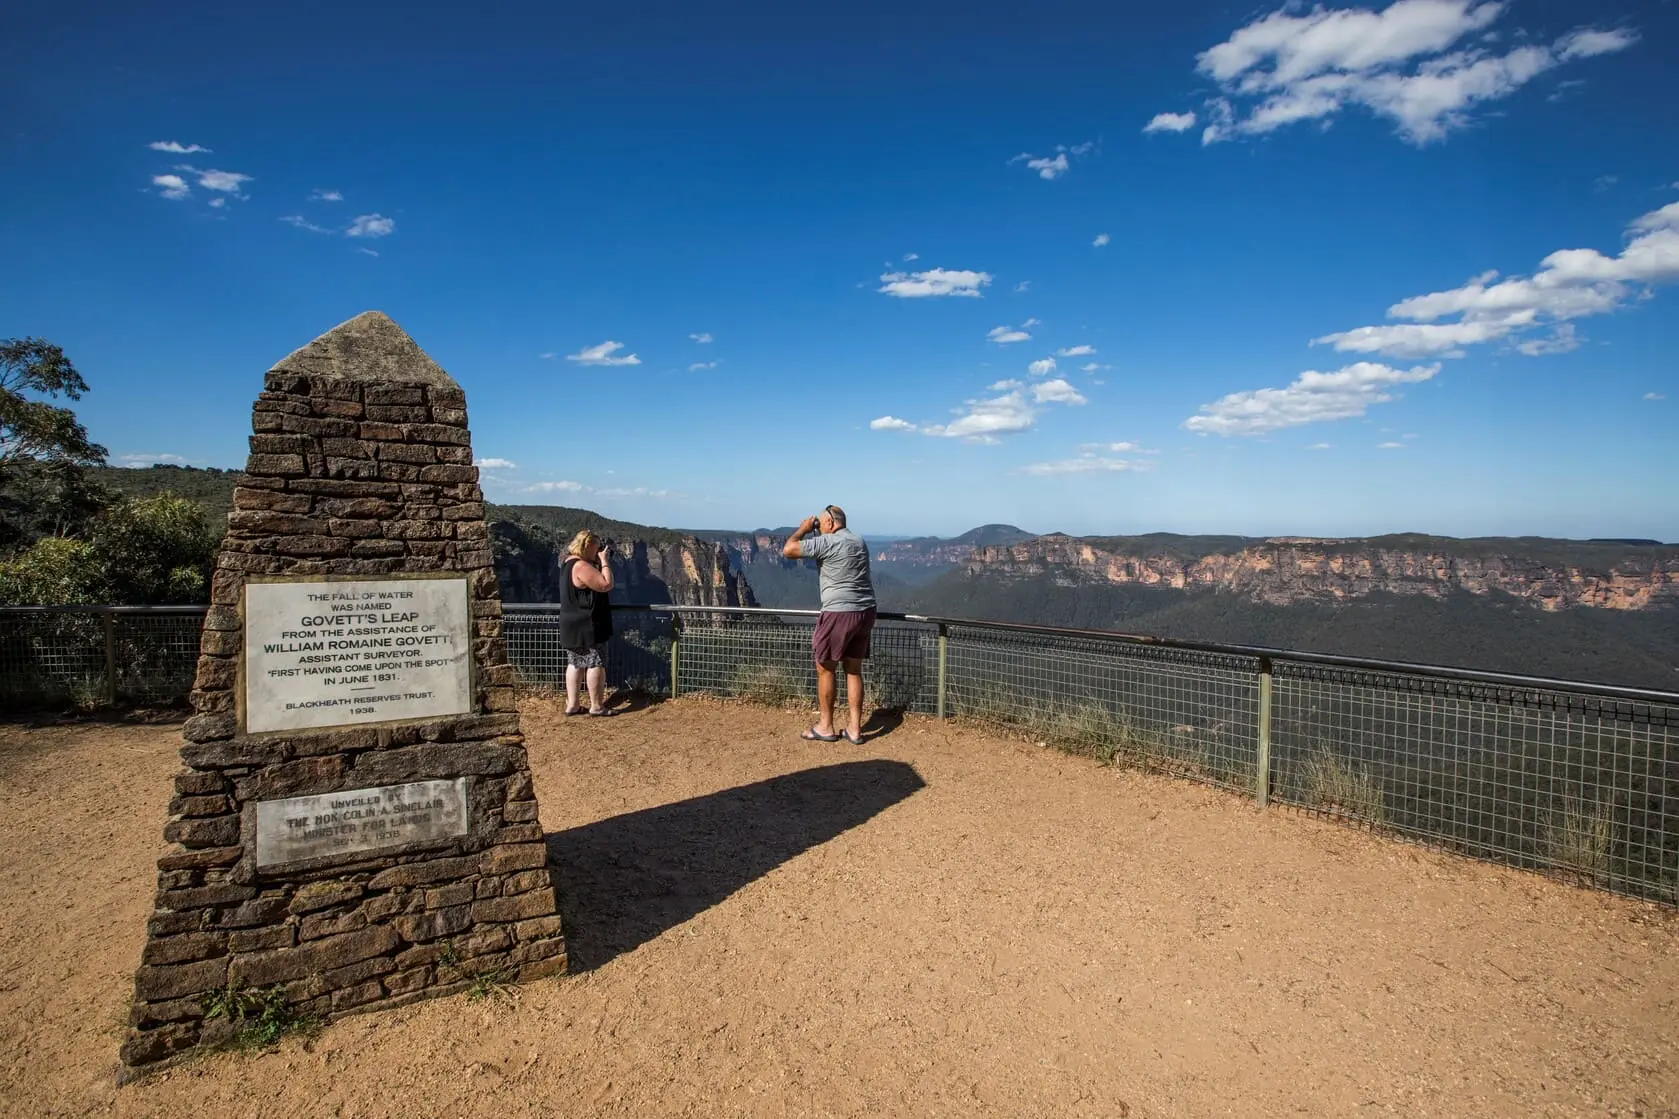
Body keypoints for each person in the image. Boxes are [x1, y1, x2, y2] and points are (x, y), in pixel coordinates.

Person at [782, 504, 876, 745]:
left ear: (831, 524)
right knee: (853, 670)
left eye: (822, 524)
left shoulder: (828, 542)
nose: (820, 528)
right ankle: (854, 729)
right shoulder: (859, 541)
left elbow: (789, 550)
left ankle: (825, 726)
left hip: (838, 612)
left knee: (825, 668)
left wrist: (802, 529)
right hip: (865, 611)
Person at [558, 529, 615, 716]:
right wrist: (605, 562)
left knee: (575, 663)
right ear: (588, 545)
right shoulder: (581, 566)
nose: (599, 551)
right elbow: (605, 585)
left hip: (571, 623)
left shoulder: (567, 563)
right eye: (597, 547)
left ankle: (573, 705)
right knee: (595, 662)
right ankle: (597, 706)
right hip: (588, 625)